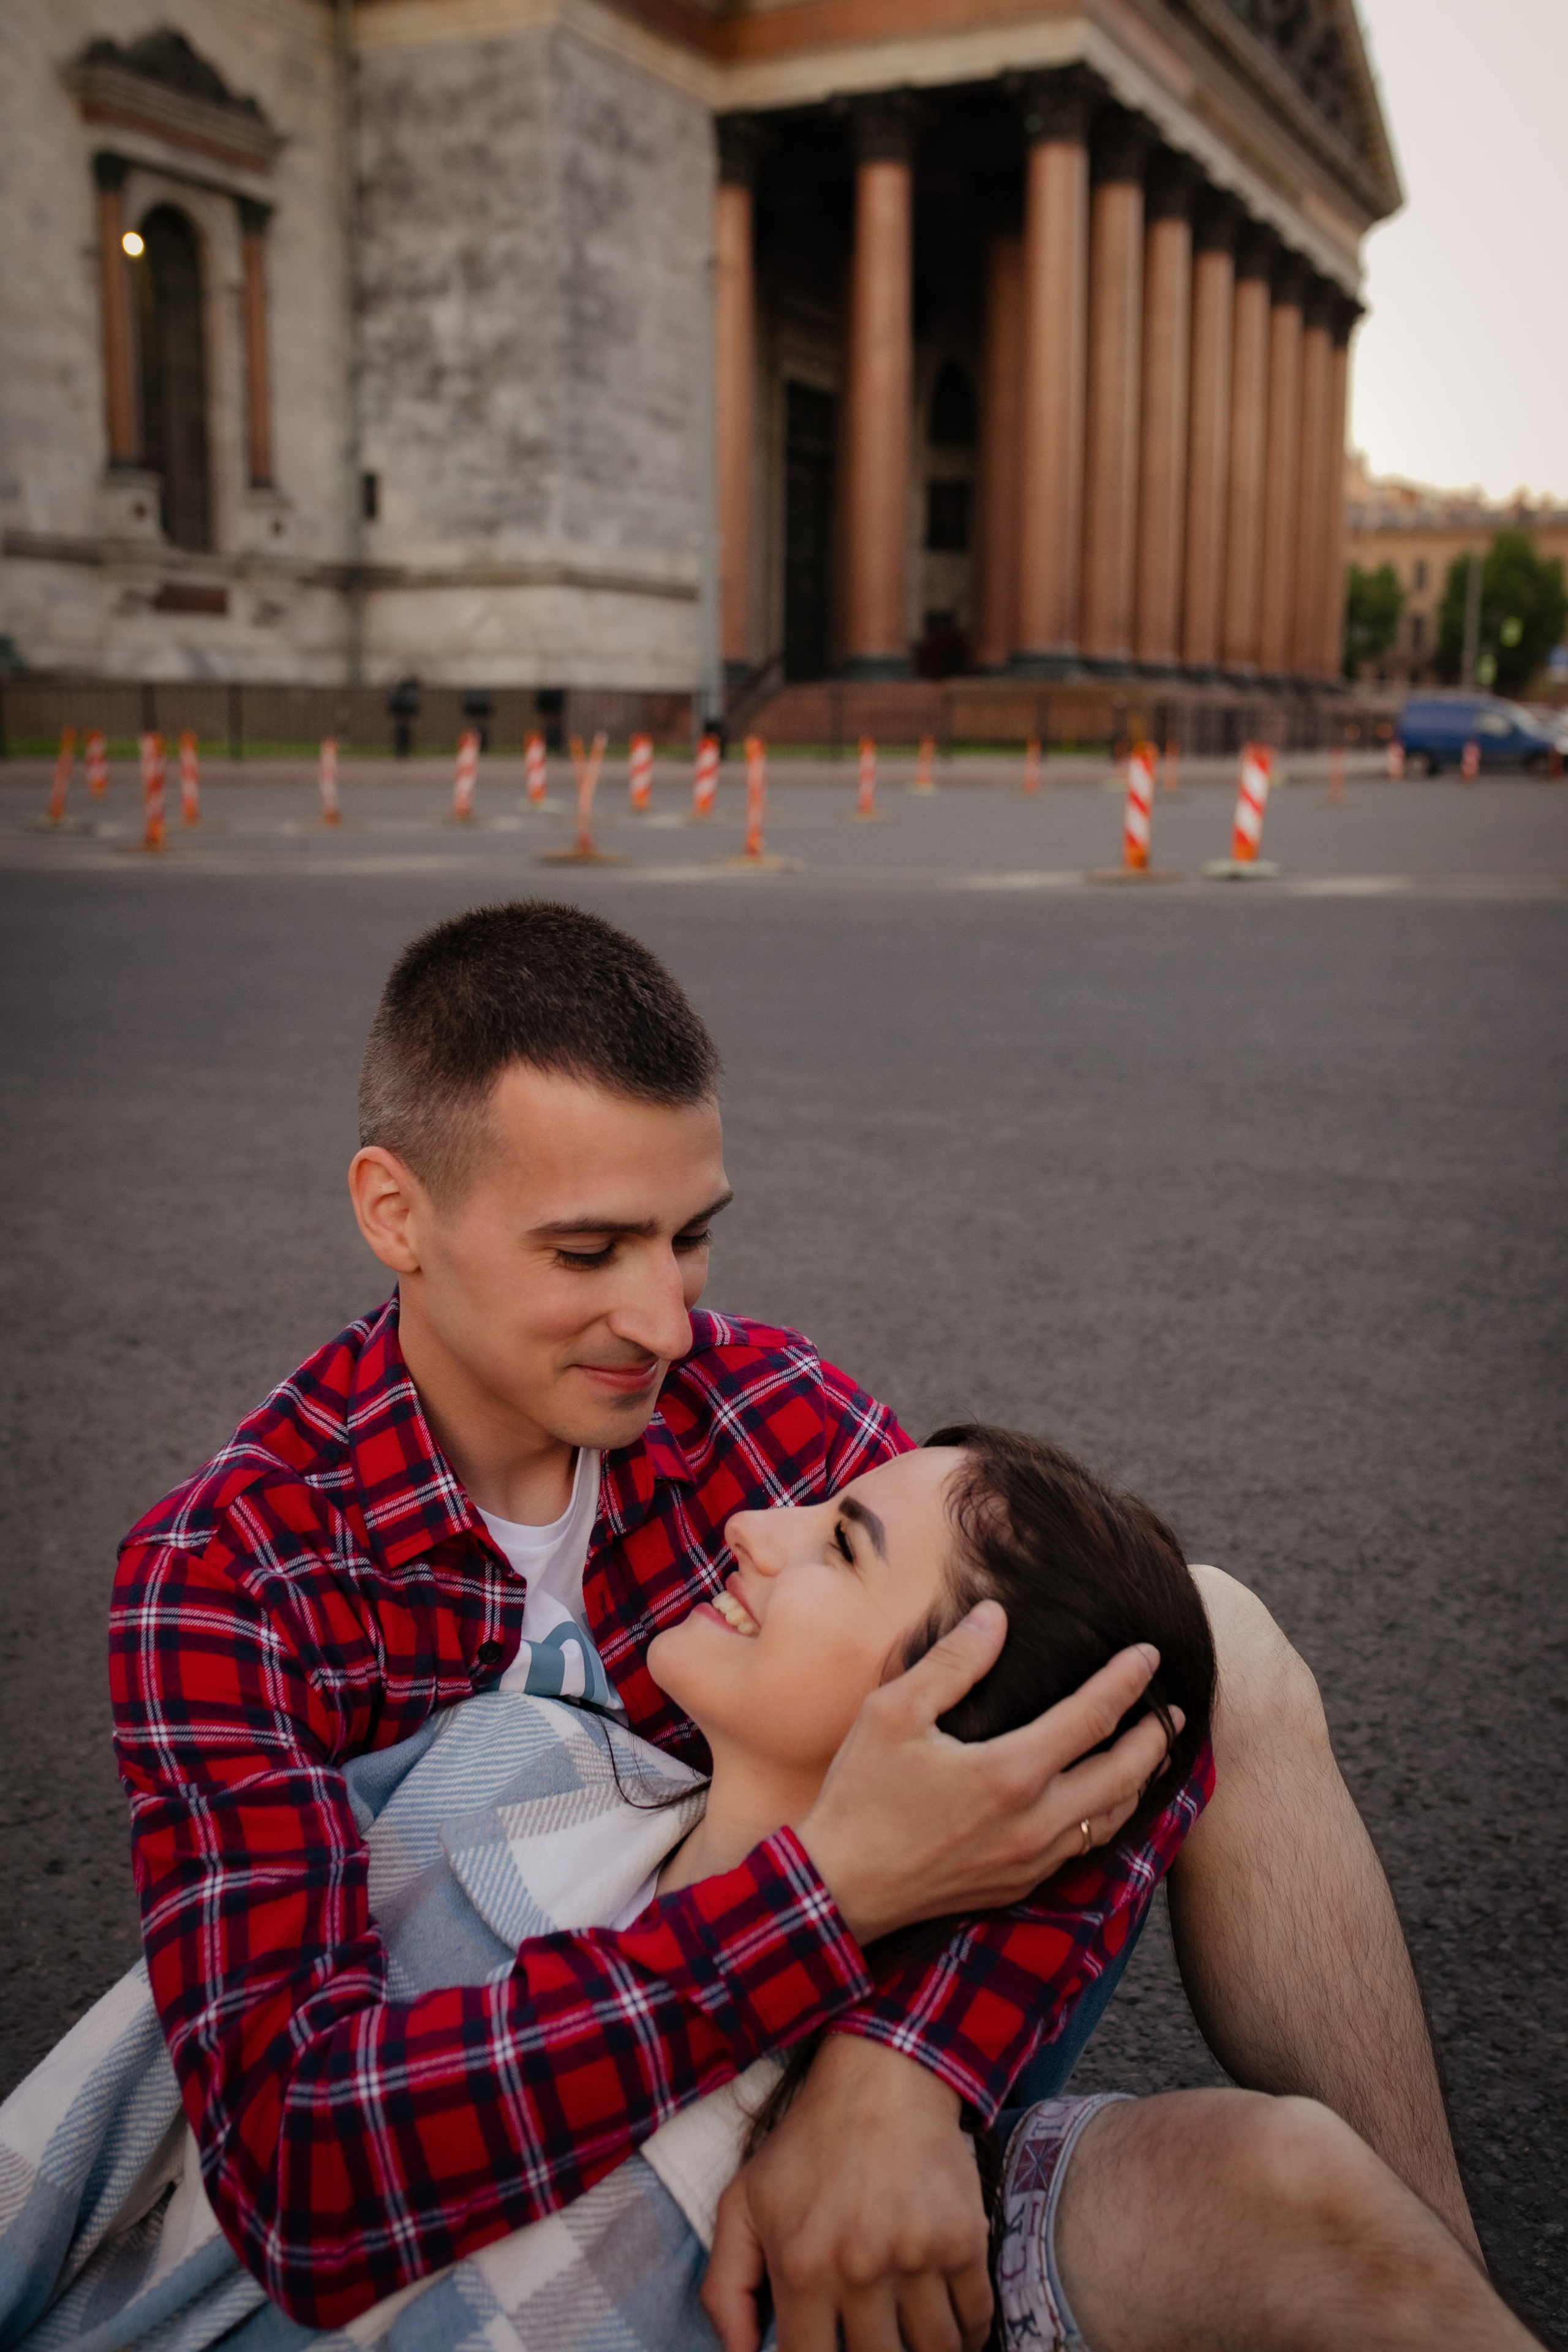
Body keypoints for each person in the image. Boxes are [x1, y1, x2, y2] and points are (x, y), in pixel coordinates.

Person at [109, 902, 1481, 2348]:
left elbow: (1085, 1691)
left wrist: (897, 2071)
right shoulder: (234, 1568)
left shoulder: (765, 1414)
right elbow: (305, 2165)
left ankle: (1445, 2267)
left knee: (1213, 1640)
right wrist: (821, 1909)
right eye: (587, 1254)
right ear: (396, 1212)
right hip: (499, 2216)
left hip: (820, 2104)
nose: (666, 1322)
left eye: (687, 1236)